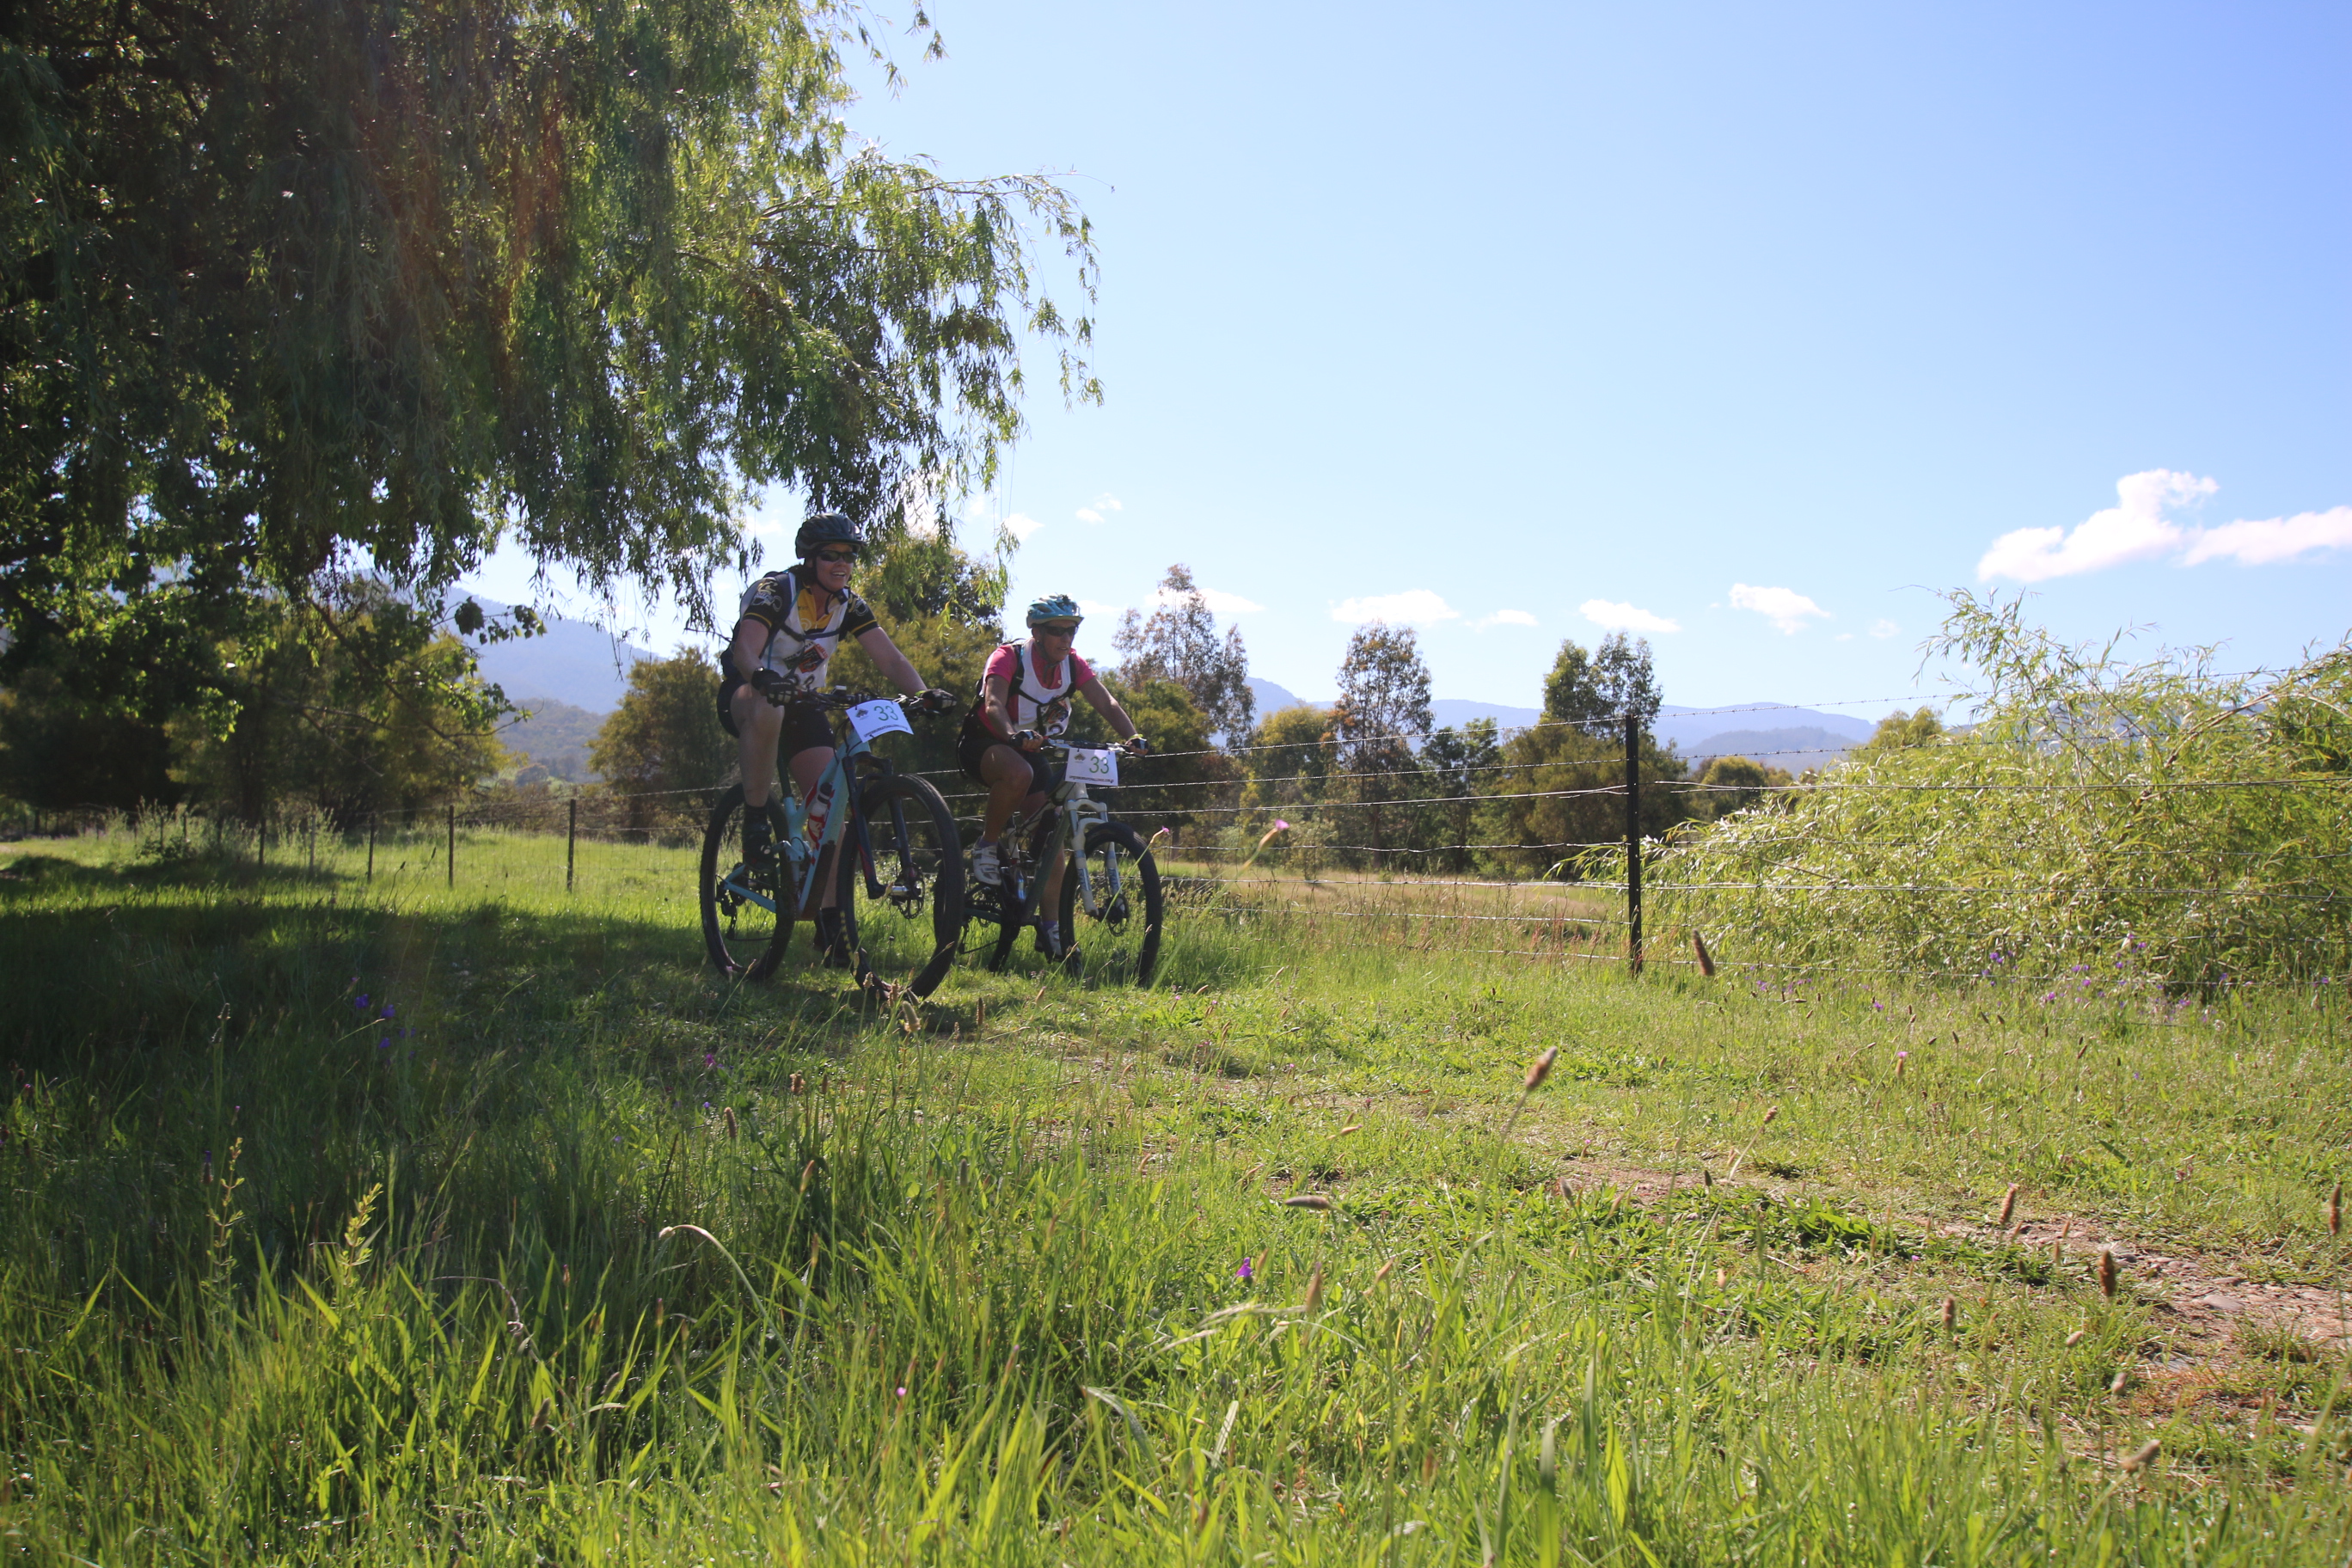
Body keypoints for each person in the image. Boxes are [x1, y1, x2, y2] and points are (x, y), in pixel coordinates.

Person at [720, 511, 954, 962]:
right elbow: (744, 649)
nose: (842, 563)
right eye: (831, 555)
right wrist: (763, 677)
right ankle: (755, 819)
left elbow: (891, 659)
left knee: (832, 815)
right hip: (750, 694)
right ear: (810, 559)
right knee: (770, 706)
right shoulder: (776, 590)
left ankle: (832, 927)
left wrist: (923, 693)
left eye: (849, 555)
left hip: (804, 704)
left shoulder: (850, 604)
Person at [958, 594, 1148, 955]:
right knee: (1018, 774)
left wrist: (1132, 736)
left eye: (1071, 630)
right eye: (1057, 631)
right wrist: (1012, 735)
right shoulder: (1008, 657)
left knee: (1051, 837)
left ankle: (1051, 930)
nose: (1066, 638)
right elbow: (994, 703)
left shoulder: (1073, 665)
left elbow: (1106, 701)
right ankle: (987, 844)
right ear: (1037, 632)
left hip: (1033, 748)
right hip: (987, 741)